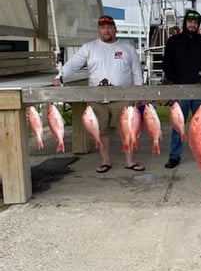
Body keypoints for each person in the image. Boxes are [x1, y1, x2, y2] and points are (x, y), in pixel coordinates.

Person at [52, 15, 145, 173]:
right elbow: (73, 64)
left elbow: (137, 72)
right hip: (97, 98)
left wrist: (140, 94)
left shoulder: (127, 47)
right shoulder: (89, 47)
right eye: (103, 27)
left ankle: (130, 161)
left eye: (109, 27)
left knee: (127, 130)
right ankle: (106, 161)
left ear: (115, 29)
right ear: (99, 30)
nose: (106, 30)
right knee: (101, 131)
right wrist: (59, 77)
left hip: (122, 97)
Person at [162, 9, 201, 169]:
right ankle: (174, 155)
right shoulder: (173, 41)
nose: (192, 24)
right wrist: (171, 78)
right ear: (185, 23)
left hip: (199, 89)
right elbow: (167, 63)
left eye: (195, 22)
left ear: (198, 24)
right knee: (178, 124)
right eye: (190, 22)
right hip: (181, 88)